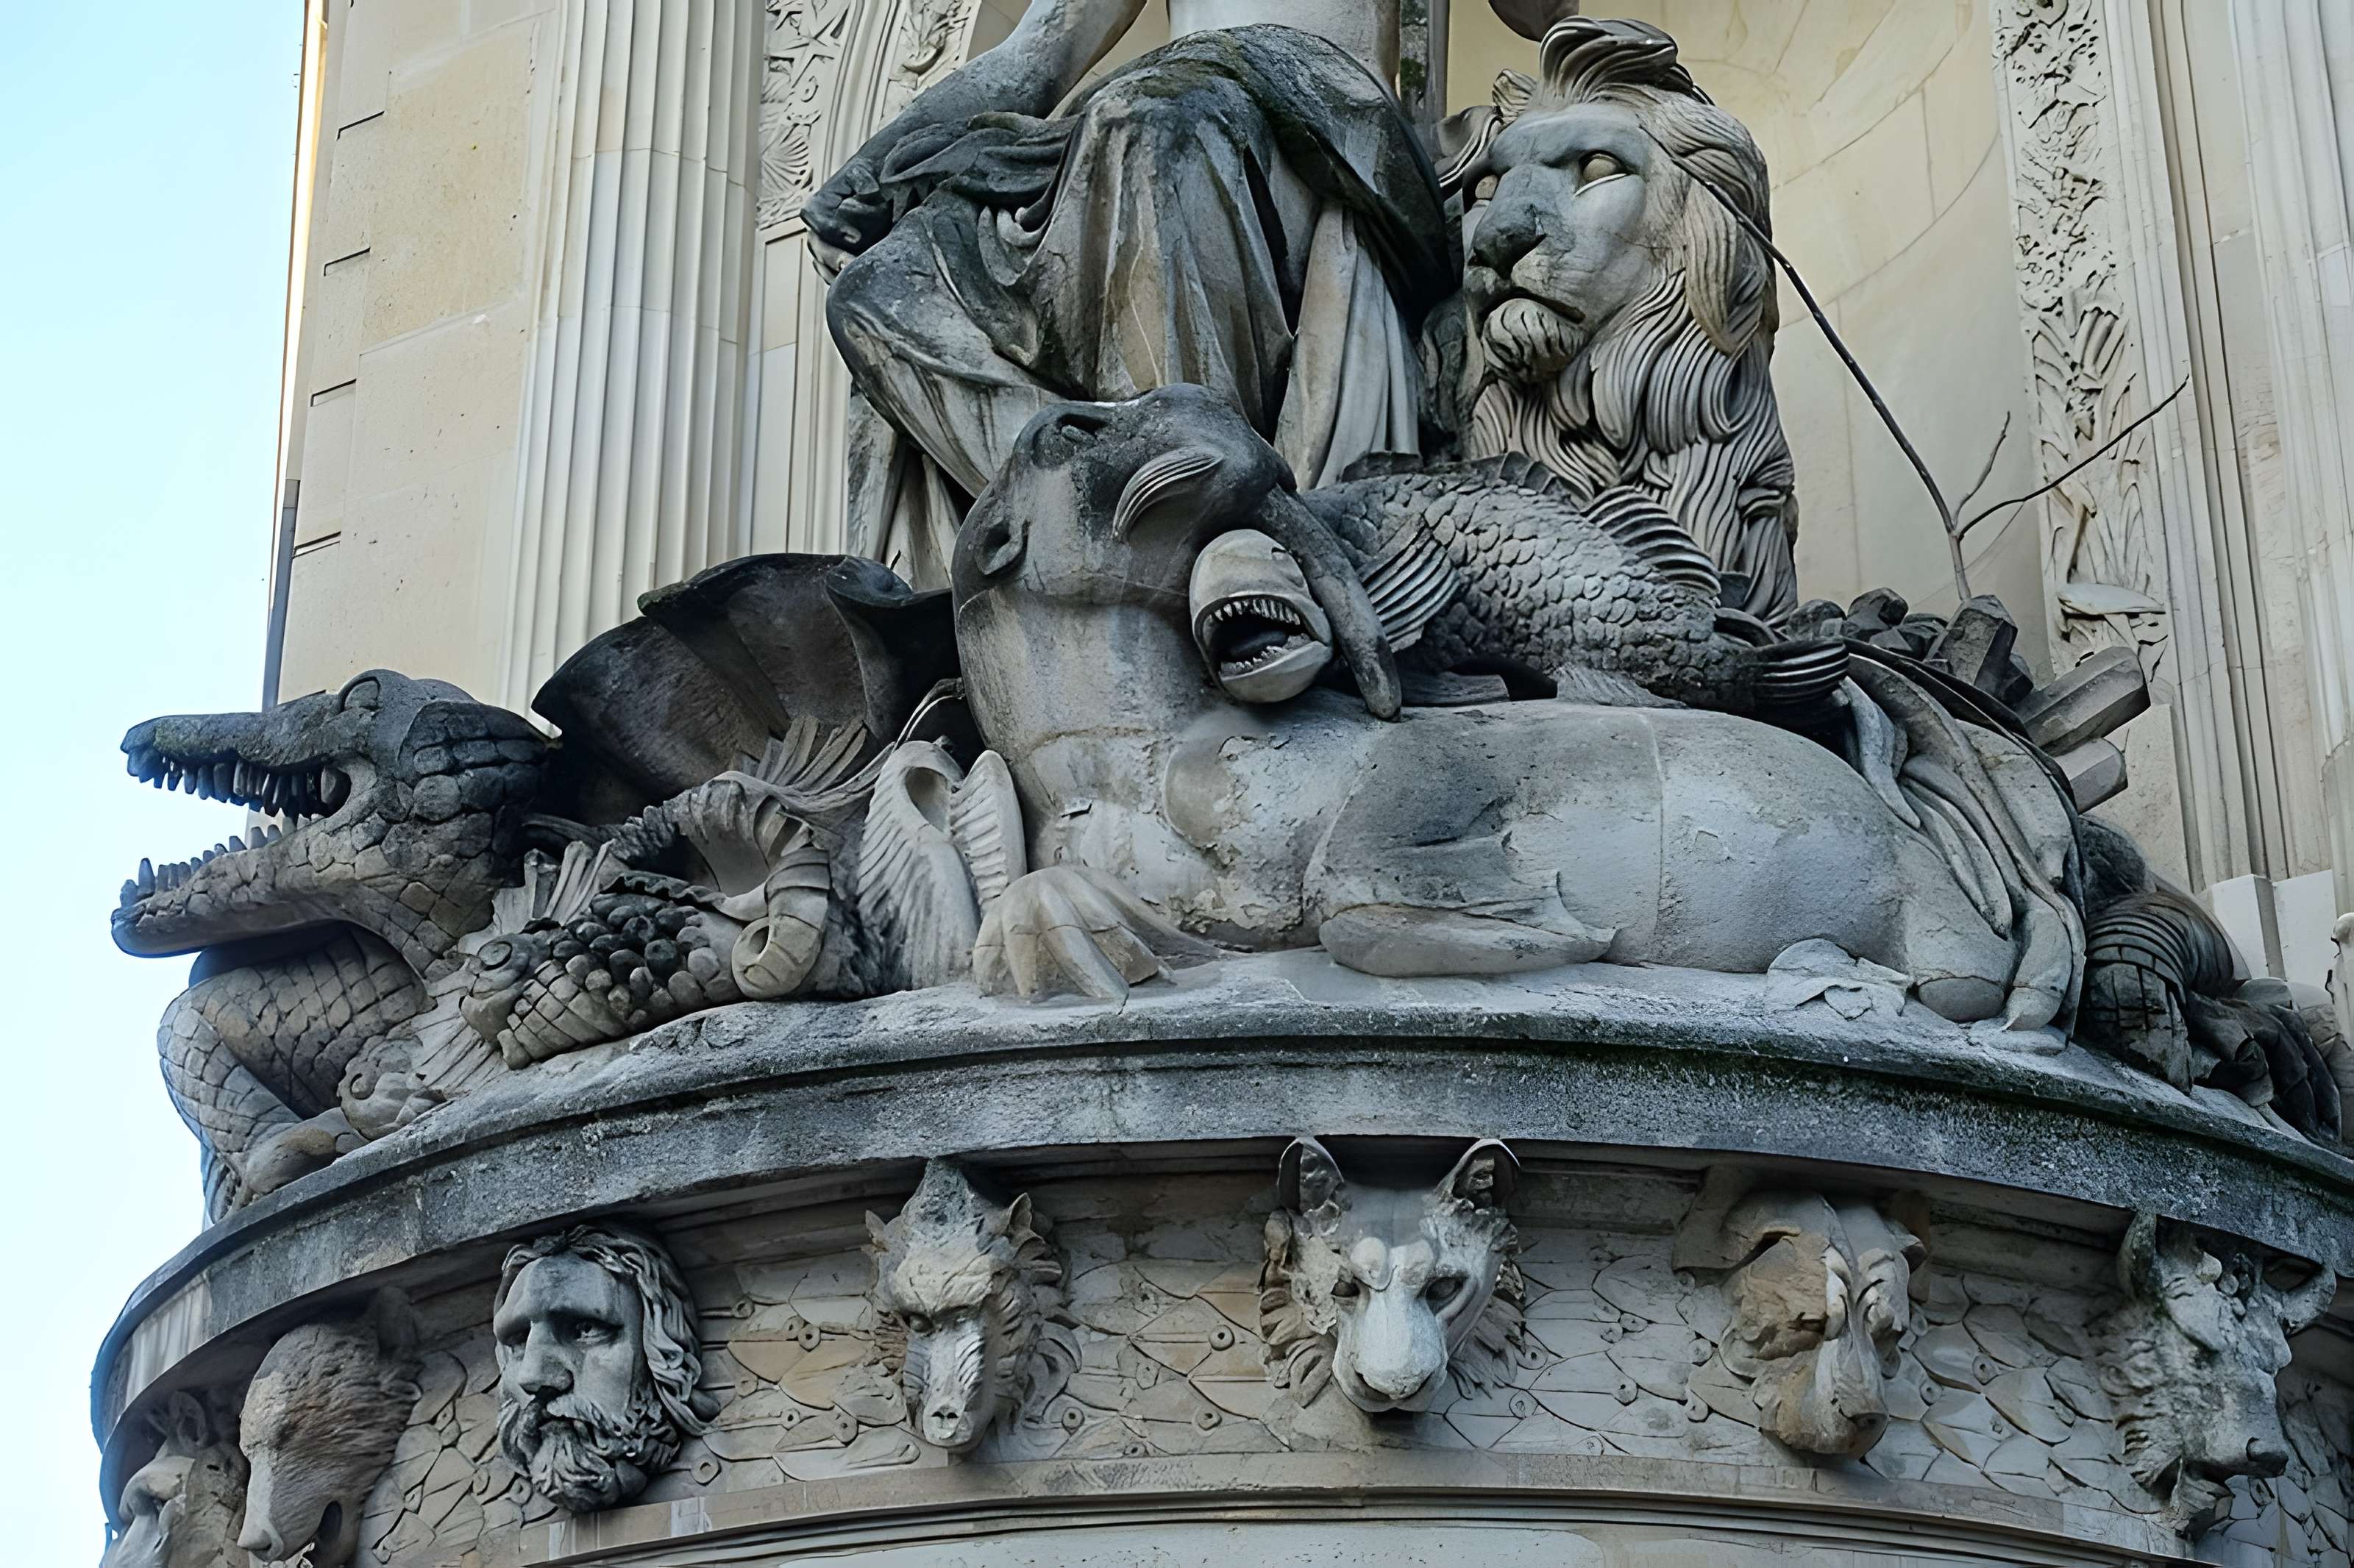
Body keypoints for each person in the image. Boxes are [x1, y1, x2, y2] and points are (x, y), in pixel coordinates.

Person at [807, 0, 1456, 586]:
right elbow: (1034, 56)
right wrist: (870, 166)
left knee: (1142, 127)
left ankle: (1210, 513)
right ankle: (1094, 499)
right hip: (1152, 109)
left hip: (1315, 122)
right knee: (872, 291)